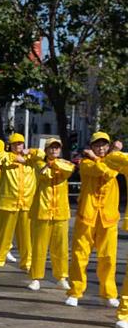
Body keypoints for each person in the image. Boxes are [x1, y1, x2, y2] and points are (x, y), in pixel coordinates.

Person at [67, 132, 127, 307]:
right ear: (91, 147)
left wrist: (114, 154)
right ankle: (75, 291)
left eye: (104, 145)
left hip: (108, 217)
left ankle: (109, 293)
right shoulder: (86, 163)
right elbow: (103, 171)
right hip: (87, 216)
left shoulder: (113, 161)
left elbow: (112, 171)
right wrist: (98, 157)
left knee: (108, 257)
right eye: (97, 145)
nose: (100, 148)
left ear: (108, 147)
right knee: (79, 256)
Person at [26, 138, 74, 292]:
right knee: (39, 247)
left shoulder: (64, 163)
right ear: (46, 150)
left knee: (61, 247)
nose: (54, 150)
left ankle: (62, 277)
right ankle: (35, 278)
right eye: (51, 148)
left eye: (57, 148)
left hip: (60, 211)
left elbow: (69, 170)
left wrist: (54, 164)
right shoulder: (39, 163)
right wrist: (51, 164)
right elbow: (45, 174)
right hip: (42, 210)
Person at [0, 133, 36, 274]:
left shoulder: (31, 157)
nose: (18, 146)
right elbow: (0, 158)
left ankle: (27, 263)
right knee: (3, 235)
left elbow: (42, 155)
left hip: (27, 202)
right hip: (9, 202)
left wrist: (30, 151)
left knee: (27, 236)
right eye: (15, 144)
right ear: (10, 146)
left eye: (20, 143)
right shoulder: (5, 156)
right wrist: (16, 158)